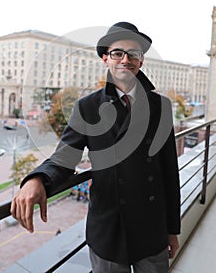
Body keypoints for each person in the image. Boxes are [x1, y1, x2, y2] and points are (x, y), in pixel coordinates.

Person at [11, 22, 181, 273]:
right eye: (117, 53)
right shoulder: (87, 107)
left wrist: (172, 230)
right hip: (109, 228)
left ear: (141, 61)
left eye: (133, 54)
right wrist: (36, 179)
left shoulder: (161, 106)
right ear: (105, 59)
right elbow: (65, 156)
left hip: (151, 227)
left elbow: (169, 171)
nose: (126, 59)